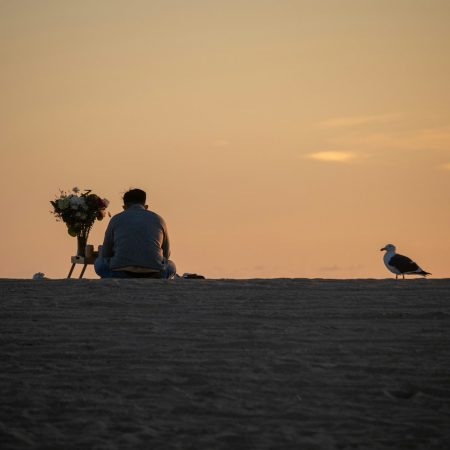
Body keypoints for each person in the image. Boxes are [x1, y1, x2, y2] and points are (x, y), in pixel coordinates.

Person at [95, 188, 176, 279]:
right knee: (171, 265)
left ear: (124, 207)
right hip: (154, 273)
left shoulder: (116, 219)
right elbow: (166, 254)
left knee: (99, 263)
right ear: (146, 207)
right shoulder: (159, 219)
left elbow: (106, 253)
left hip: (120, 273)